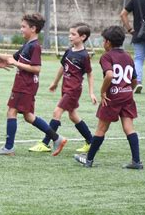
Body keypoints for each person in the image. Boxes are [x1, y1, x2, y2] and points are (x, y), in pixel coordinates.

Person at [0, 13, 67, 156]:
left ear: (33, 28)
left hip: (25, 85)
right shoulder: (27, 44)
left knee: (12, 111)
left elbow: (36, 68)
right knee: (28, 116)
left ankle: (9, 148)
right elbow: (11, 58)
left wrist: (16, 64)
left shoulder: (35, 46)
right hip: (23, 84)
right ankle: (57, 138)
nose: (20, 29)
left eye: (23, 27)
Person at [74, 26, 143, 169]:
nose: (102, 43)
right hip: (127, 96)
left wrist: (103, 91)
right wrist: (127, 88)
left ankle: (89, 159)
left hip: (112, 98)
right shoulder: (128, 56)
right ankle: (136, 161)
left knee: (101, 129)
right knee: (129, 128)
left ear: (108, 42)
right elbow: (135, 80)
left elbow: (110, 75)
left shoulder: (107, 56)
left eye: (103, 40)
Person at [29, 23, 97, 153]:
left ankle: (45, 143)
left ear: (83, 37)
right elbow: (62, 67)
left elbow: (89, 73)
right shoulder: (69, 51)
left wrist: (91, 92)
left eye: (73, 34)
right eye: (69, 33)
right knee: (73, 115)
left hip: (73, 90)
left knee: (57, 112)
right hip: (65, 88)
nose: (70, 36)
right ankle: (91, 141)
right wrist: (55, 82)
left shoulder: (84, 55)